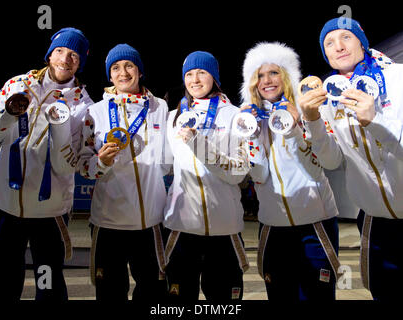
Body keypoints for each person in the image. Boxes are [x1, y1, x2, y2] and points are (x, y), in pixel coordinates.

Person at [299, 17, 403, 300]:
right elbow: (332, 161)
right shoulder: (332, 95)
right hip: (375, 222)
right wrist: (313, 120)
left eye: (346, 37)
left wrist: (376, 122)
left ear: (362, 41)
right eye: (329, 43)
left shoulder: (398, 78)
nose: (338, 46)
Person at [0, 27, 92, 300]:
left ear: (80, 62)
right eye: (60, 51)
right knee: (1, 285)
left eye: (74, 55)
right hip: (7, 206)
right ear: (49, 54)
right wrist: (8, 115)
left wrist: (60, 131)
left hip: (50, 214)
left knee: (48, 287)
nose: (65, 59)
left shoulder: (83, 105)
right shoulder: (17, 85)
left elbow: (68, 165)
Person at [240, 42, 340, 300]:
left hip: (315, 223)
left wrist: (295, 127)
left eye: (273, 72)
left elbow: (326, 164)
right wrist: (251, 137)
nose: (267, 80)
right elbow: (259, 176)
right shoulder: (251, 118)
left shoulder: (309, 108)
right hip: (273, 225)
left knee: (318, 297)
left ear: (286, 76)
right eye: (260, 75)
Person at [78, 44, 169, 301]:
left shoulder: (159, 107)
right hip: (107, 225)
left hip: (150, 223)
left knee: (153, 294)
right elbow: (83, 166)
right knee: (109, 294)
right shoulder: (93, 113)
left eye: (129, 65)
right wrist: (101, 162)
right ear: (109, 76)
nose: (123, 72)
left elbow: (169, 159)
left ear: (139, 71)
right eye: (115, 68)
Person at [163, 51, 250, 300]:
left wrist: (199, 145)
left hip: (225, 229)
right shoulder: (173, 118)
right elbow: (161, 167)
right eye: (189, 74)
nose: (195, 79)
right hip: (181, 228)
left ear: (214, 76)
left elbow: (239, 172)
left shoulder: (235, 116)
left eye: (202, 72)